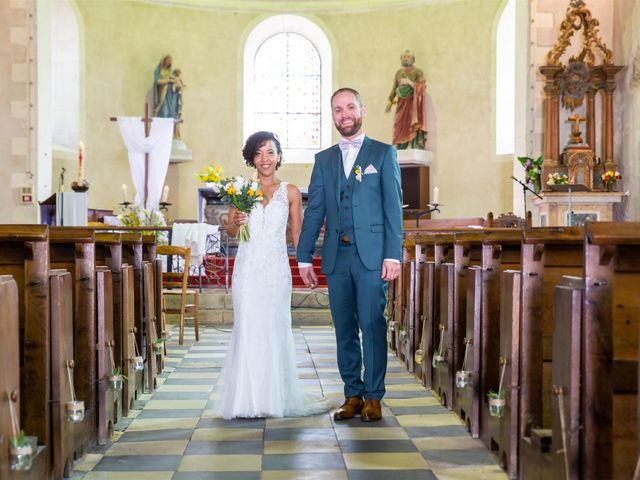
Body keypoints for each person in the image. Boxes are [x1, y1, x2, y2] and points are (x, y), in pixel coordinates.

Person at [215, 131, 338, 419]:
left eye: (270, 152)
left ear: (279, 156)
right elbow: (232, 233)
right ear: (251, 158)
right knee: (247, 328)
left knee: (274, 330)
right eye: (258, 153)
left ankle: (273, 398)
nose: (264, 159)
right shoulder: (242, 189)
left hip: (275, 271)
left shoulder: (290, 192)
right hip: (247, 271)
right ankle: (246, 400)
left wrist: (305, 264)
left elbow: (298, 233)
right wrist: (237, 219)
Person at [297, 88, 403, 422]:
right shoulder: (323, 160)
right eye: (338, 109)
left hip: (372, 256)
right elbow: (314, 211)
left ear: (362, 110)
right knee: (343, 328)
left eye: (350, 107)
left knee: (372, 324)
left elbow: (392, 210)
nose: (344, 114)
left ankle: (374, 396)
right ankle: (352, 394)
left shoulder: (384, 154)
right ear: (333, 115)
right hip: (336, 257)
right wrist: (303, 257)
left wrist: (393, 255)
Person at [385, 50, 427, 149]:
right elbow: (394, 88)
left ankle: (416, 145)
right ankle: (400, 147)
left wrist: (410, 83)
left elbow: (422, 87)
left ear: (413, 59)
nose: (406, 58)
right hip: (401, 103)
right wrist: (390, 102)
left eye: (408, 56)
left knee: (413, 123)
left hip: (413, 104)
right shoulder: (399, 73)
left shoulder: (418, 71)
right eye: (404, 56)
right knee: (400, 124)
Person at [152, 55, 181, 138]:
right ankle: (161, 135)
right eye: (167, 61)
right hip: (163, 95)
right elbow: (158, 81)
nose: (168, 63)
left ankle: (170, 135)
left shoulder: (170, 71)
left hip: (171, 95)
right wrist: (169, 80)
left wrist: (176, 82)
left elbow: (176, 80)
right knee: (164, 113)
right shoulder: (158, 71)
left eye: (169, 62)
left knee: (171, 114)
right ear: (163, 61)